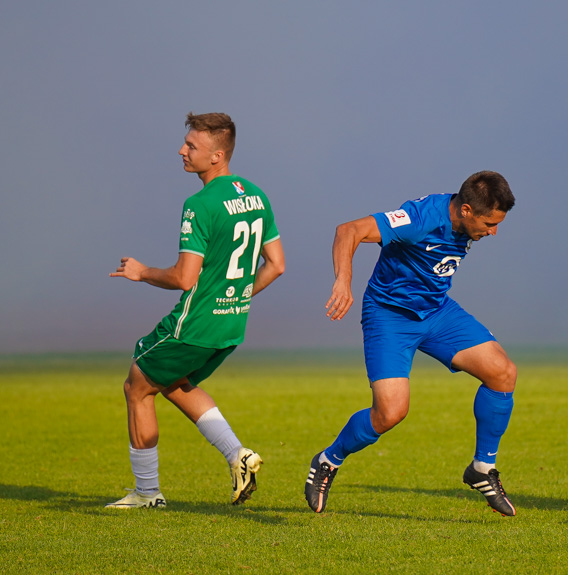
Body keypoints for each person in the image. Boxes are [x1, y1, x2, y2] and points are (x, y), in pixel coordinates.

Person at [304, 171, 518, 516]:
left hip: (436, 311)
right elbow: (349, 230)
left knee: (502, 372)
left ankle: (481, 468)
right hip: (390, 317)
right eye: (489, 223)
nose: (493, 231)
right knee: (390, 412)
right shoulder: (420, 219)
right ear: (466, 210)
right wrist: (343, 281)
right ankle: (328, 461)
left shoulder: (463, 219)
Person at [106, 112, 284, 508]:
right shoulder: (257, 195)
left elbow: (185, 278)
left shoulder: (199, 204)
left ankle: (147, 493)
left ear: (217, 156)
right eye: (185, 143)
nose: (182, 151)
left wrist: (142, 272)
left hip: (195, 322)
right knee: (172, 383)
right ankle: (238, 455)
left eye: (192, 147)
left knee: (136, 386)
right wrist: (237, 297)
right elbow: (277, 264)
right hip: (231, 323)